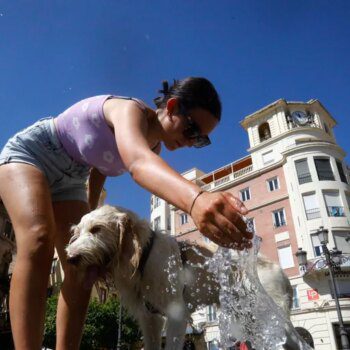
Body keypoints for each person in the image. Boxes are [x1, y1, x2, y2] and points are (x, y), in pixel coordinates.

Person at [0, 77, 252, 349]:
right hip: (33, 154)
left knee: (82, 272)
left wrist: (91, 213)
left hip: (72, 180)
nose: (192, 141)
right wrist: (196, 199)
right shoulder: (129, 112)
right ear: (172, 106)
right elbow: (138, 163)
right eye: (192, 129)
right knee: (39, 239)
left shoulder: (153, 147)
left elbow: (98, 169)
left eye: (201, 140)